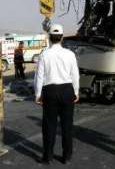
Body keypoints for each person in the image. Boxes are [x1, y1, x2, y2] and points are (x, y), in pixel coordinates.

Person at [34, 24, 80, 165]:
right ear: (61, 38)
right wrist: (76, 92)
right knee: (67, 125)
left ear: (50, 37)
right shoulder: (70, 54)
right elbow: (75, 75)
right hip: (67, 91)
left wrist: (38, 94)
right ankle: (66, 156)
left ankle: (48, 157)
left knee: (49, 126)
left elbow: (39, 76)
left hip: (50, 91)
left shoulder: (44, 55)